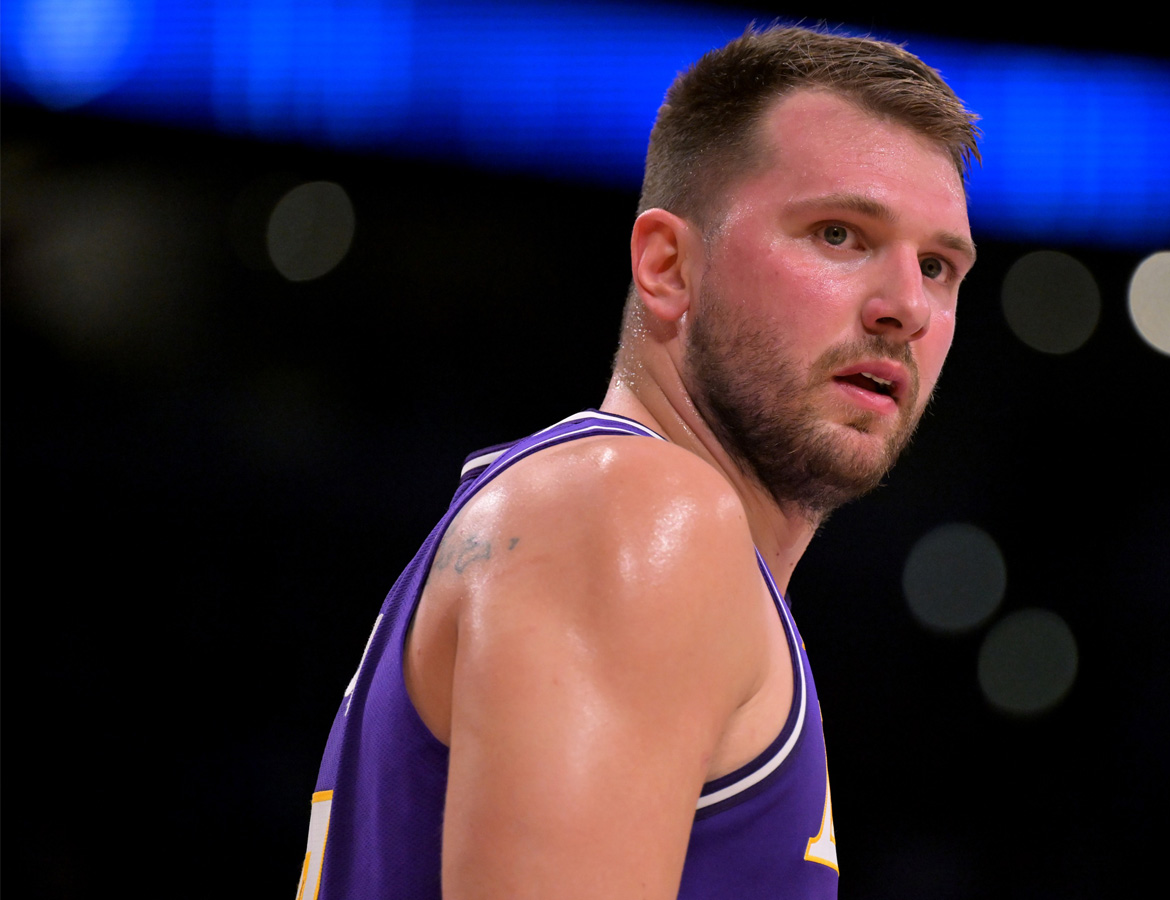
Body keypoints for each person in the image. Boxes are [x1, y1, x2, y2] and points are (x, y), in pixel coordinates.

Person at [296, 24, 980, 899]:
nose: (906, 307)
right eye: (839, 234)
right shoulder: (635, 511)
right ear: (667, 267)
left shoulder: (586, 518)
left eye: (938, 267)